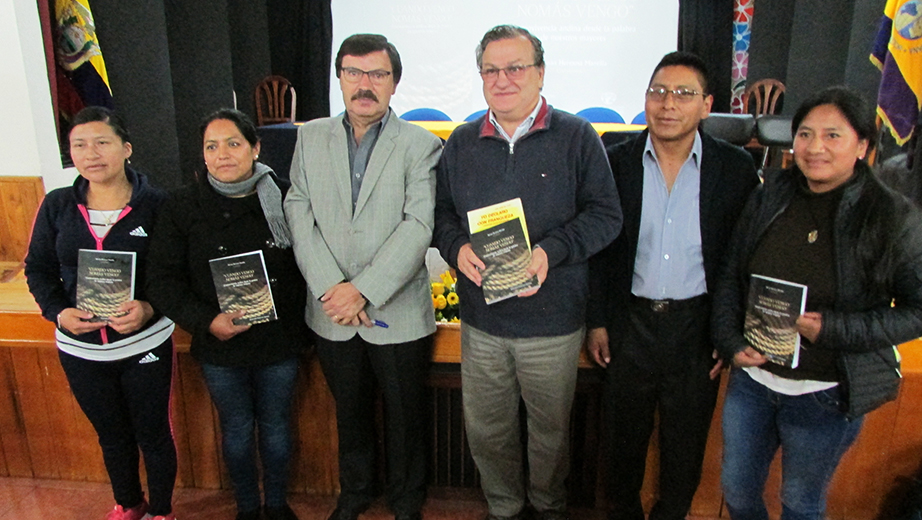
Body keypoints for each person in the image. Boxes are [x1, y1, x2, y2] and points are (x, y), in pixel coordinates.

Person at [433, 25, 622, 520]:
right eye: (491, 70)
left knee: (550, 433)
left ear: (540, 73)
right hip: (482, 322)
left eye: (515, 67)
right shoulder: (462, 142)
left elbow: (606, 216)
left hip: (552, 323)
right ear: (480, 77)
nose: (503, 79)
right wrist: (456, 248)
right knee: (488, 431)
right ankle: (504, 509)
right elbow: (441, 215)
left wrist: (550, 251)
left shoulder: (577, 136)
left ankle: (547, 508)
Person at [711, 86, 922, 520]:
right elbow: (733, 272)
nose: (814, 148)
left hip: (825, 393)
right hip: (754, 382)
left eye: (832, 136)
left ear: (863, 145)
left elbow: (916, 311)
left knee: (801, 504)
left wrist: (831, 329)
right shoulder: (769, 194)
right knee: (736, 490)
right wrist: (731, 341)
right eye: (804, 134)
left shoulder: (891, 216)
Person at [585, 52, 759, 520]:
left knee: (683, 457)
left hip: (696, 329)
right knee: (621, 454)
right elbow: (599, 252)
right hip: (629, 325)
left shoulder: (736, 169)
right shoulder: (614, 162)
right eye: (658, 91)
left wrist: (728, 331)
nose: (667, 104)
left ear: (707, 105)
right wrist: (597, 321)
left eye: (683, 94)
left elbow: (741, 259)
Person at [284, 34, 441, 520]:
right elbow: (297, 210)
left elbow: (420, 225)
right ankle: (354, 493)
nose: (365, 84)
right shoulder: (309, 137)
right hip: (331, 311)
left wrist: (363, 291)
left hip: (395, 310)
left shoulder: (421, 145)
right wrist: (335, 290)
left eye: (377, 74)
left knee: (404, 415)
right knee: (349, 413)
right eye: (353, 72)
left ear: (394, 83)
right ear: (339, 78)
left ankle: (406, 501)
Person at [146, 109, 307, 520]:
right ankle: (248, 508)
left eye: (233, 143)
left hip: (279, 339)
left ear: (255, 148)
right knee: (236, 430)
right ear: (202, 155)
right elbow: (162, 280)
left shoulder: (287, 195)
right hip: (220, 343)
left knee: (276, 427)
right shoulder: (182, 206)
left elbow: (308, 265)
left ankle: (276, 504)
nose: (222, 155)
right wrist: (205, 321)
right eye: (211, 146)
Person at [24, 106, 177, 520]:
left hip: (143, 342)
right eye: (79, 145)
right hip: (82, 350)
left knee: (154, 434)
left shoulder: (158, 206)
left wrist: (149, 307)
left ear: (126, 149)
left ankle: (161, 512)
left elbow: (176, 274)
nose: (91, 153)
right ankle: (128, 503)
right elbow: (38, 269)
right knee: (111, 435)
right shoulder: (57, 205)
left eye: (102, 142)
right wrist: (58, 313)